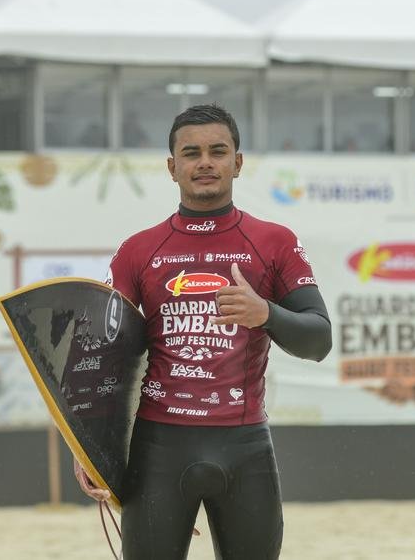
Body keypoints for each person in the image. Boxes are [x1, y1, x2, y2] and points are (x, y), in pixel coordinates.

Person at [74, 103, 332, 559]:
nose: (205, 162)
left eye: (218, 151)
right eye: (191, 153)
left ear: (238, 162)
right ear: (172, 167)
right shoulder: (138, 250)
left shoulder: (275, 242)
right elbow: (104, 359)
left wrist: (265, 313)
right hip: (159, 448)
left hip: (245, 446)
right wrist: (88, 447)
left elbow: (319, 340)